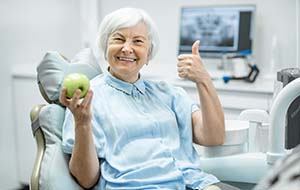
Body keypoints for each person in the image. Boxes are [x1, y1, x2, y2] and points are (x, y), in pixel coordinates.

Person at [60, 7, 239, 190]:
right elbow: (86, 180)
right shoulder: (87, 101)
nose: (127, 48)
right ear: (106, 46)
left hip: (193, 182)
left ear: (148, 53)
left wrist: (204, 80)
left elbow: (214, 137)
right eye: (119, 39)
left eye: (138, 41)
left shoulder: (169, 94)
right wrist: (82, 123)